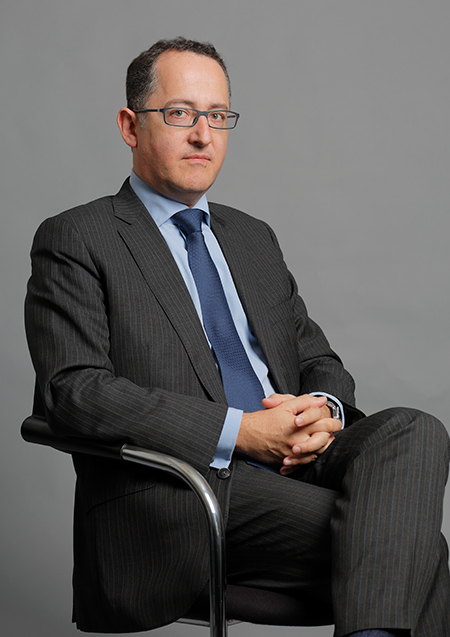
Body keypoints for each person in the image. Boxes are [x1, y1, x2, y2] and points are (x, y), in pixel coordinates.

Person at [25, 37, 450, 637]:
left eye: (218, 116)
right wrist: (242, 432)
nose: (204, 135)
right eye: (181, 113)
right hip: (181, 487)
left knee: (415, 428)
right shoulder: (78, 236)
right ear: (130, 126)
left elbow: (317, 357)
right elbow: (74, 392)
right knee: (416, 546)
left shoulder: (252, 238)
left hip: (296, 464)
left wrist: (321, 411)